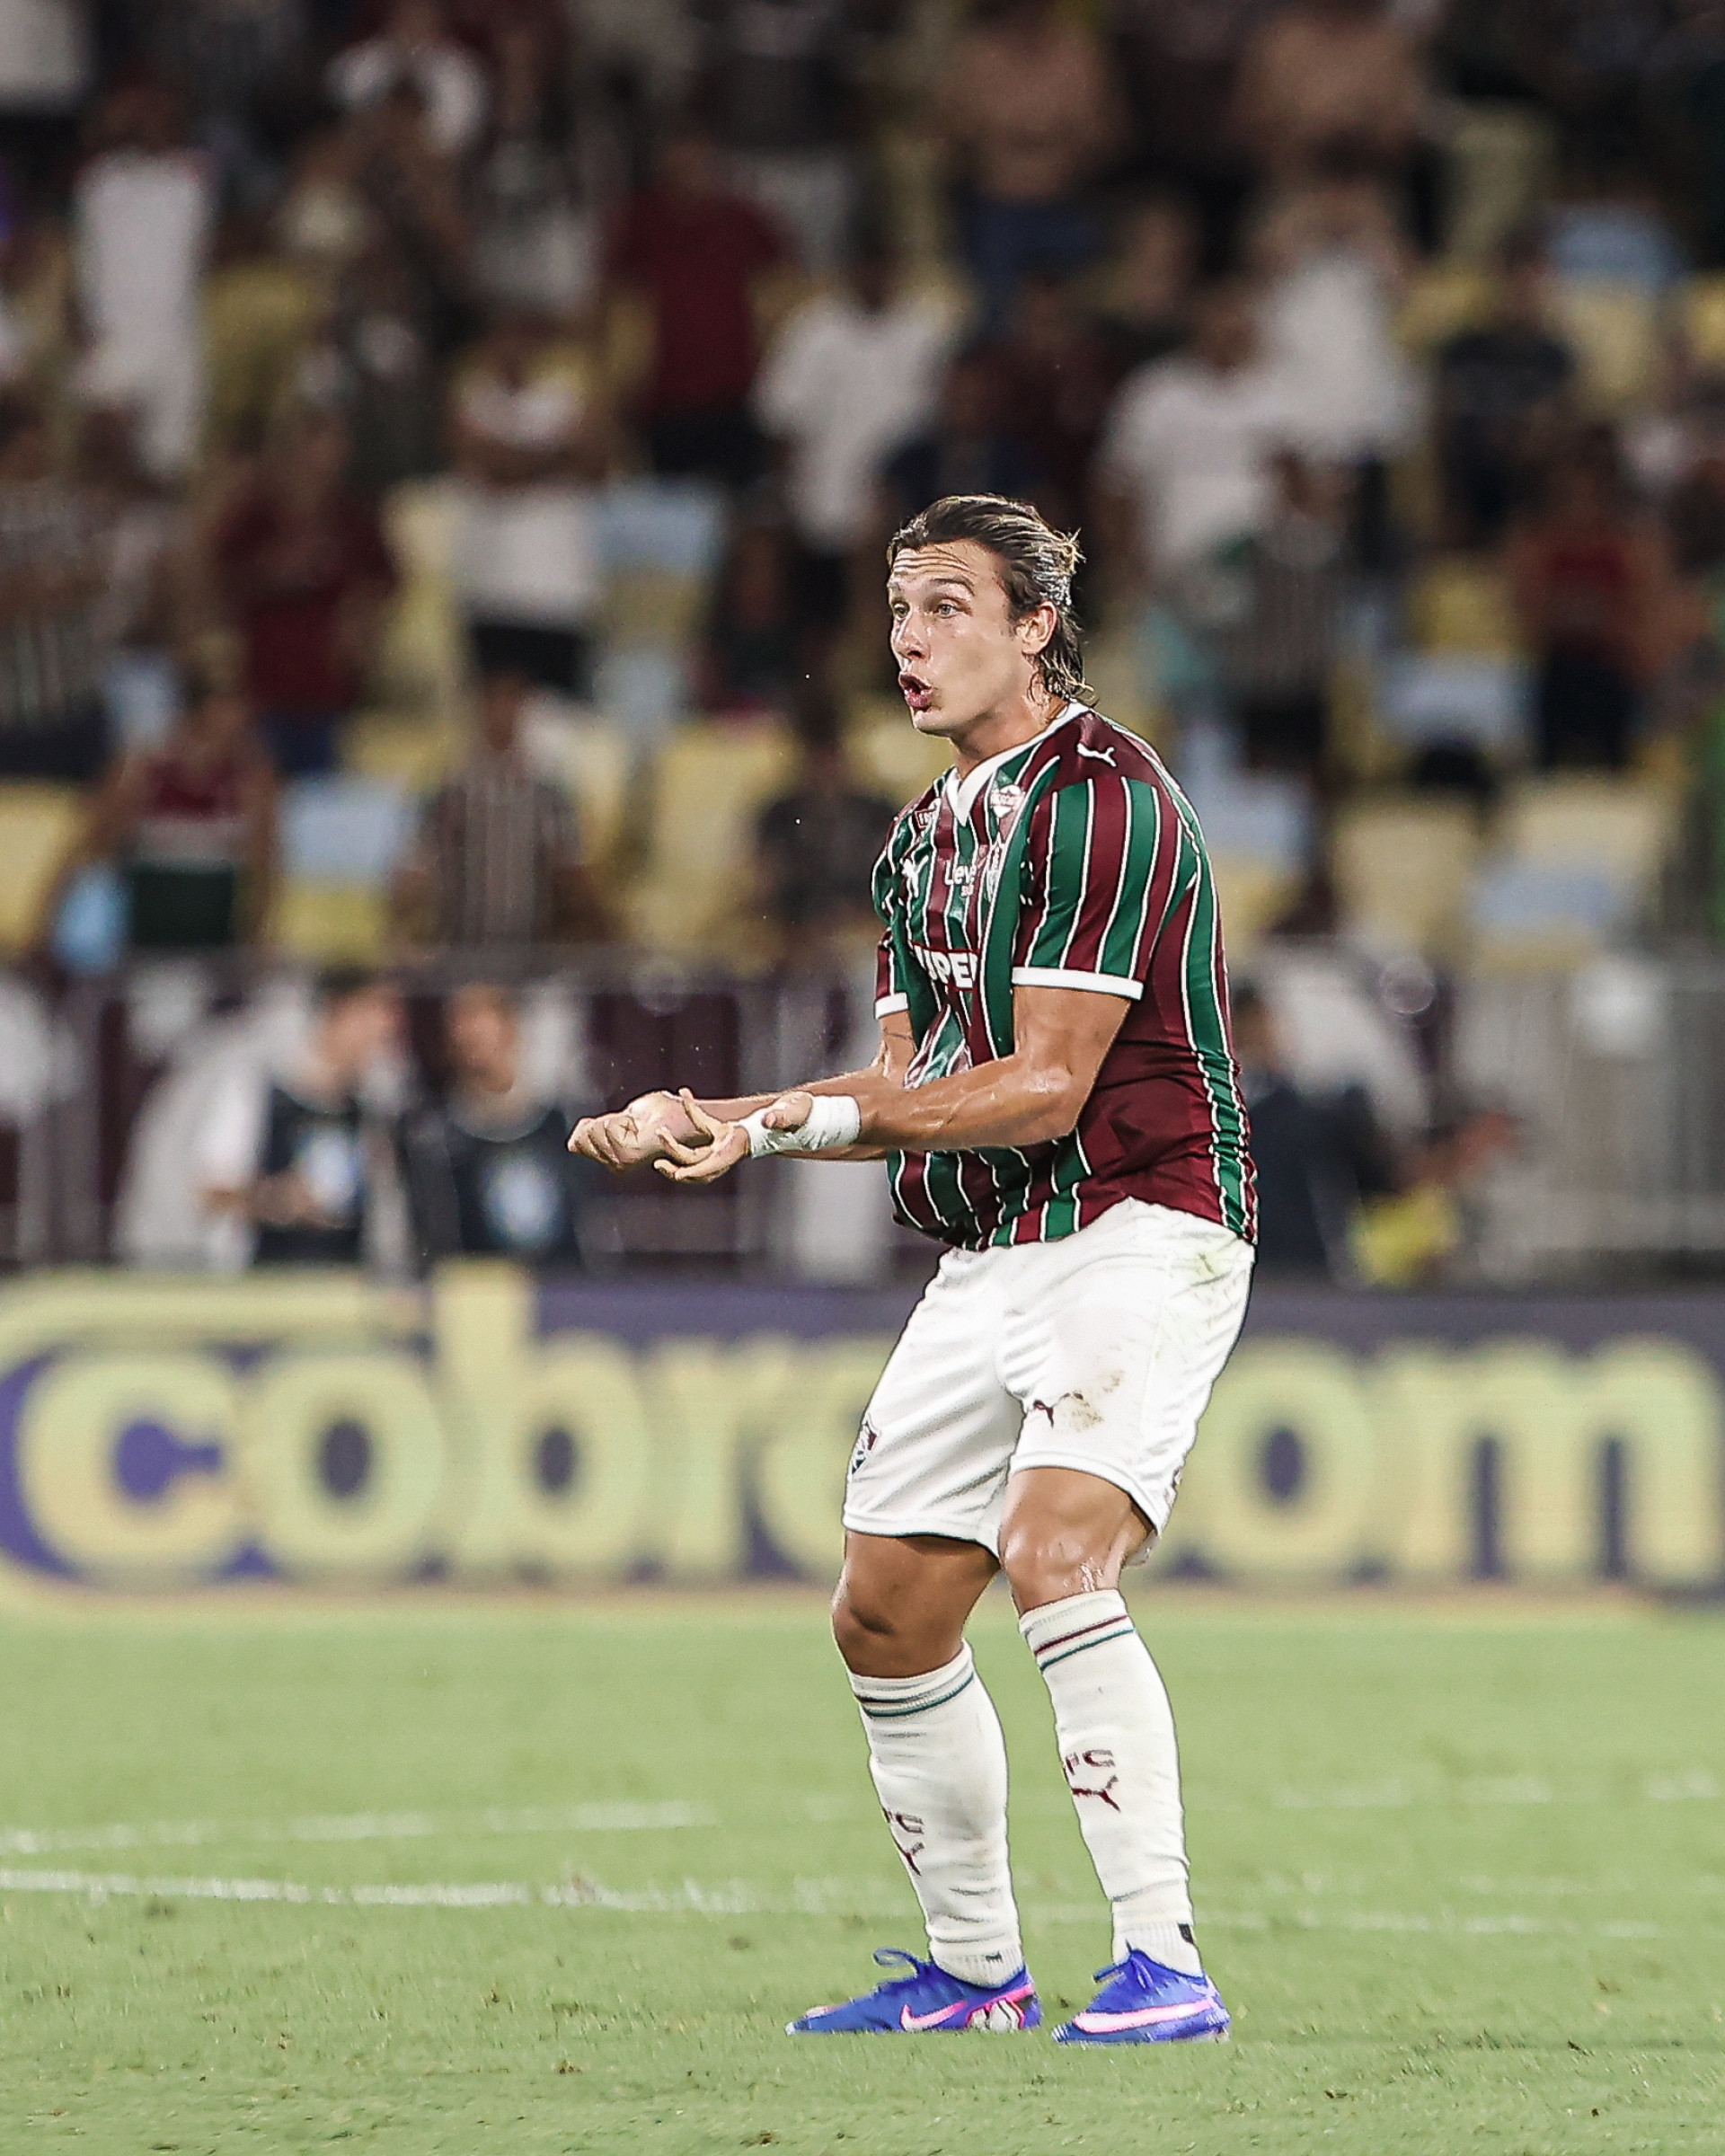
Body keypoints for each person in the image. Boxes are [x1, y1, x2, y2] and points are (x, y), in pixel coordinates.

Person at [572, 492, 1256, 2046]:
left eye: (950, 605)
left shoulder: (1102, 804)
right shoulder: (922, 845)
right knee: (882, 1609)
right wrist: (725, 1118)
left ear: (1036, 627)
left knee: (1054, 1547)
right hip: (996, 1248)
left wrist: (759, 1125)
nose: (909, 640)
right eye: (897, 611)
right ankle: (974, 1975)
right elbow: (907, 1093)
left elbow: (1040, 1086)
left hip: (1142, 1221)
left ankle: (1165, 1965)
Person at [755, 236, 956, 654]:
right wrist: (787, 502)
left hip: (905, 512)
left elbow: (944, 422)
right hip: (823, 510)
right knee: (824, 632)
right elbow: (781, 424)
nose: (875, 277)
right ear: (850, 269)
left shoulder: (925, 333)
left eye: (884, 266)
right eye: (866, 265)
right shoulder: (813, 331)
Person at [36, 666, 278, 954]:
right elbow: (82, 854)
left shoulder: (252, 781)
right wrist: (43, 932)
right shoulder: (140, 771)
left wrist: (254, 942)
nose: (244, 719)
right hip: (145, 946)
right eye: (234, 707)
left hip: (218, 951)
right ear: (205, 709)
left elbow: (265, 873)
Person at [211, 404, 398, 777]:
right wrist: (272, 573)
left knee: (321, 797)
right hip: (266, 686)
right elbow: (218, 574)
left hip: (330, 689)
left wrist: (362, 619)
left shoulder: (353, 517)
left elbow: (387, 579)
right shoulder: (258, 512)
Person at [606, 121, 791, 486]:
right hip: (667, 398)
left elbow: (782, 280)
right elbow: (616, 294)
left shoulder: (741, 218)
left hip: (734, 393)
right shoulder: (642, 220)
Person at [448, 309, 611, 701]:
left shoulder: (566, 398)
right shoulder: (473, 400)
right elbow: (490, 468)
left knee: (563, 728)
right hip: (494, 593)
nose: (513, 349)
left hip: (563, 596)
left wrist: (517, 458)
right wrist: (557, 456)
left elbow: (596, 462)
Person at [196, 968, 404, 1269]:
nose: (384, 1030)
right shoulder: (257, 1088)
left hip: (347, 1285)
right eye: (373, 1013)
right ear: (337, 1011)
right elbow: (210, 1192)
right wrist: (274, 1198)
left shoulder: (374, 1104)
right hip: (266, 1281)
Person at [935, 0, 1124, 331]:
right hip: (996, 209)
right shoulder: (976, 55)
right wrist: (1038, 129)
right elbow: (953, 132)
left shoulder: (1078, 52)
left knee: (1081, 321)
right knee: (999, 317)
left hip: (1067, 204)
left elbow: (1104, 130)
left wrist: (1024, 131)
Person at [392, 665, 606, 949]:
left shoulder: (548, 795)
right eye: (493, 700)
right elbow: (413, 875)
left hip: (531, 958)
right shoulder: (448, 794)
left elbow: (573, 878)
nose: (502, 712)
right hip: (459, 957)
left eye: (512, 700)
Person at [72, 80, 214, 478]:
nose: (152, 122)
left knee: (168, 464)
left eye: (161, 115)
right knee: (101, 453)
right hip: (114, 334)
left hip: (175, 337)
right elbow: (89, 263)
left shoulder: (193, 181)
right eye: (144, 114)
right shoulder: (101, 182)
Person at [398, 981, 592, 1268]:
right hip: (476, 1290)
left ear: (511, 1031)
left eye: (484, 1031)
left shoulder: (558, 1124)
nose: (475, 1046)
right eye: (465, 1033)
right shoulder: (435, 1134)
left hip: (557, 1286)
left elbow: (581, 1217)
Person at [0, 391, 107, 782]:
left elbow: (93, 577)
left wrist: (47, 588)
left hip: (75, 705)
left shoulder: (70, 507)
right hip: (13, 717)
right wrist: (43, 589)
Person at [753, 701, 898, 955]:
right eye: (814, 757)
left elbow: (902, 890)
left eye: (830, 755)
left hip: (868, 939)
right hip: (795, 941)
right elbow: (762, 889)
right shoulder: (778, 816)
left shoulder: (880, 813)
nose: (823, 767)